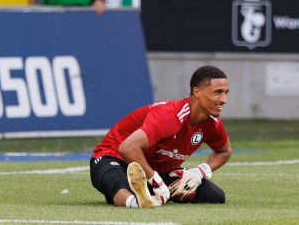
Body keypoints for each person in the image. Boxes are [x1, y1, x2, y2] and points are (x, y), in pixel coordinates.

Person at [90, 65, 233, 208]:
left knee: (215, 196)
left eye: (226, 93)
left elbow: (225, 151)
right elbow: (127, 148)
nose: (224, 100)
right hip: (113, 157)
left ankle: (148, 193)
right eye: (218, 92)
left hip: (157, 170)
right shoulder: (169, 116)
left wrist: (199, 172)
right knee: (121, 189)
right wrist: (156, 182)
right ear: (197, 92)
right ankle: (137, 202)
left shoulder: (212, 124)